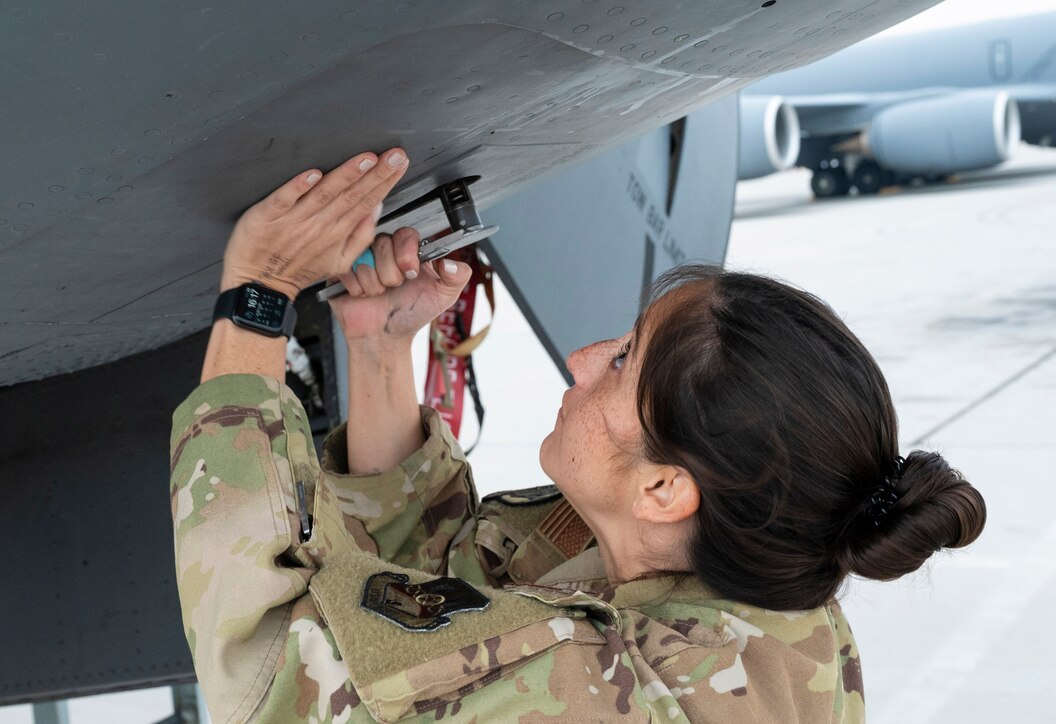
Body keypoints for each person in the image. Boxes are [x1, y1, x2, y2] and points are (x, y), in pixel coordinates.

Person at [170, 148, 987, 723]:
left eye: (624, 362)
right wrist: (381, 349)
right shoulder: (751, 588)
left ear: (665, 490)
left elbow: (271, 671)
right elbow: (437, 596)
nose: (583, 357)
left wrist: (259, 295)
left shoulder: (591, 699)